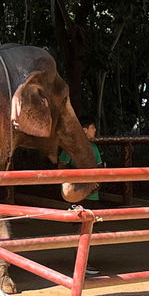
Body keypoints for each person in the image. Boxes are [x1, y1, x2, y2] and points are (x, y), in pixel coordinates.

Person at [58, 114, 106, 276]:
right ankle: (81, 264)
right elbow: (62, 167)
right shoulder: (71, 148)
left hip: (92, 195)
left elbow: (99, 169)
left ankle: (84, 262)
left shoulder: (94, 148)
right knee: (79, 229)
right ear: (84, 130)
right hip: (78, 194)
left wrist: (95, 183)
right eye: (92, 128)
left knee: (89, 229)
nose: (95, 130)